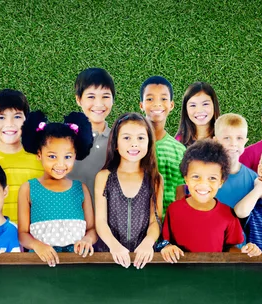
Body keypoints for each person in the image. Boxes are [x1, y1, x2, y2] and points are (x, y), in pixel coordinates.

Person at [161, 139, 261, 263]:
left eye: (212, 178)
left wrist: (247, 251)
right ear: (186, 179)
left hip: (215, 278)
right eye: (196, 177)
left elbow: (231, 249)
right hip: (180, 278)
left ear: (221, 182)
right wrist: (167, 247)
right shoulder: (174, 209)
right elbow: (164, 241)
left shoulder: (228, 214)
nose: (203, 184)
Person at [18, 111, 96, 267]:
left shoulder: (81, 189)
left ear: (75, 155)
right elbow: (22, 234)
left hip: (77, 263)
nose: (60, 164)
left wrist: (87, 240)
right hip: (40, 264)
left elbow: (92, 229)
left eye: (67, 157)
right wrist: (37, 245)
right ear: (39, 155)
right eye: (52, 156)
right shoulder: (28, 189)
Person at [94, 113, 163, 269]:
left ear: (149, 142)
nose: (134, 144)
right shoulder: (104, 177)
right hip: (109, 255)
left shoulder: (155, 179)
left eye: (140, 138)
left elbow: (155, 220)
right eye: (126, 138)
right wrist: (114, 246)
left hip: (143, 258)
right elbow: (101, 221)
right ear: (116, 144)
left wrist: (148, 243)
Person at [0, 89, 43, 224]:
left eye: (17, 116)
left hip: (35, 239)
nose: (9, 124)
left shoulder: (41, 159)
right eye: (1, 117)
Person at [69, 68, 115, 205]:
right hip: (70, 221)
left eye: (105, 96)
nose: (99, 104)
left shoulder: (119, 141)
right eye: (91, 97)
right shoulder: (64, 138)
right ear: (78, 99)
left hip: (107, 223)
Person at [139, 75, 186, 209]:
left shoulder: (179, 150)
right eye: (150, 99)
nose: (157, 104)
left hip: (167, 225)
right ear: (141, 105)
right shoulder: (130, 146)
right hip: (136, 225)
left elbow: (179, 195)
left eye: (163, 98)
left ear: (171, 105)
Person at [213, 113, 257, 208]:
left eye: (239, 138)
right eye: (227, 138)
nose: (233, 144)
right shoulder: (205, 174)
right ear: (216, 141)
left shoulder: (254, 179)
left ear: (245, 141)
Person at [175, 82, 220, 147]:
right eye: (193, 105)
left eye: (205, 104)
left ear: (214, 105)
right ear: (186, 109)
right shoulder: (179, 141)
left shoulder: (224, 139)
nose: (199, 110)